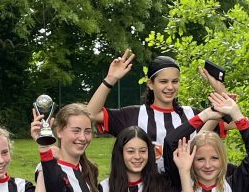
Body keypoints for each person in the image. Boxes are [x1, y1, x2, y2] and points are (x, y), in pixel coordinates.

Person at [86, 52, 220, 172]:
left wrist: (219, 88)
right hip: (145, 191)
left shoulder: (193, 114)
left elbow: (229, 119)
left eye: (175, 81)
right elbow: (90, 114)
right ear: (150, 84)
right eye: (163, 81)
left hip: (187, 190)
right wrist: (110, 79)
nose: (170, 87)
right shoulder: (133, 115)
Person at [164, 91, 249, 192]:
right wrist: (204, 116)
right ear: (191, 159)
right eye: (200, 159)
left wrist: (237, 115)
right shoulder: (181, 181)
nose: (207, 165)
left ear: (222, 159)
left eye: (214, 158)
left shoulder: (234, 186)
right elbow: (170, 142)